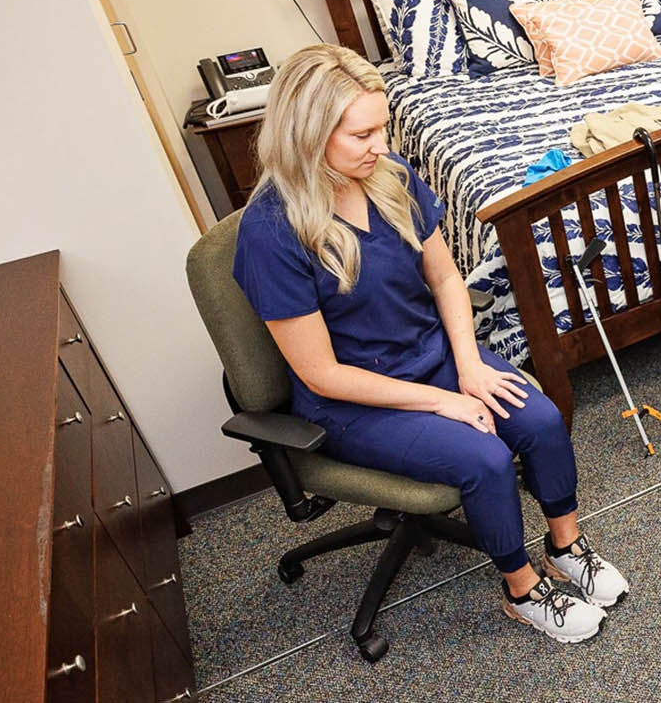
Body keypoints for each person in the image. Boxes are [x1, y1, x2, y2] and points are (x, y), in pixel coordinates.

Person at [233, 44, 627, 644]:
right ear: (308, 135)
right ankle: (522, 590)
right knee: (486, 456)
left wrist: (467, 367)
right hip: (353, 400)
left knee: (540, 418)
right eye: (361, 134)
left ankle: (564, 548)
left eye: (383, 127)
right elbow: (320, 375)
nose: (381, 146)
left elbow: (445, 277)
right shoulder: (272, 232)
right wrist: (443, 402)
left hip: (433, 356)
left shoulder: (389, 179)